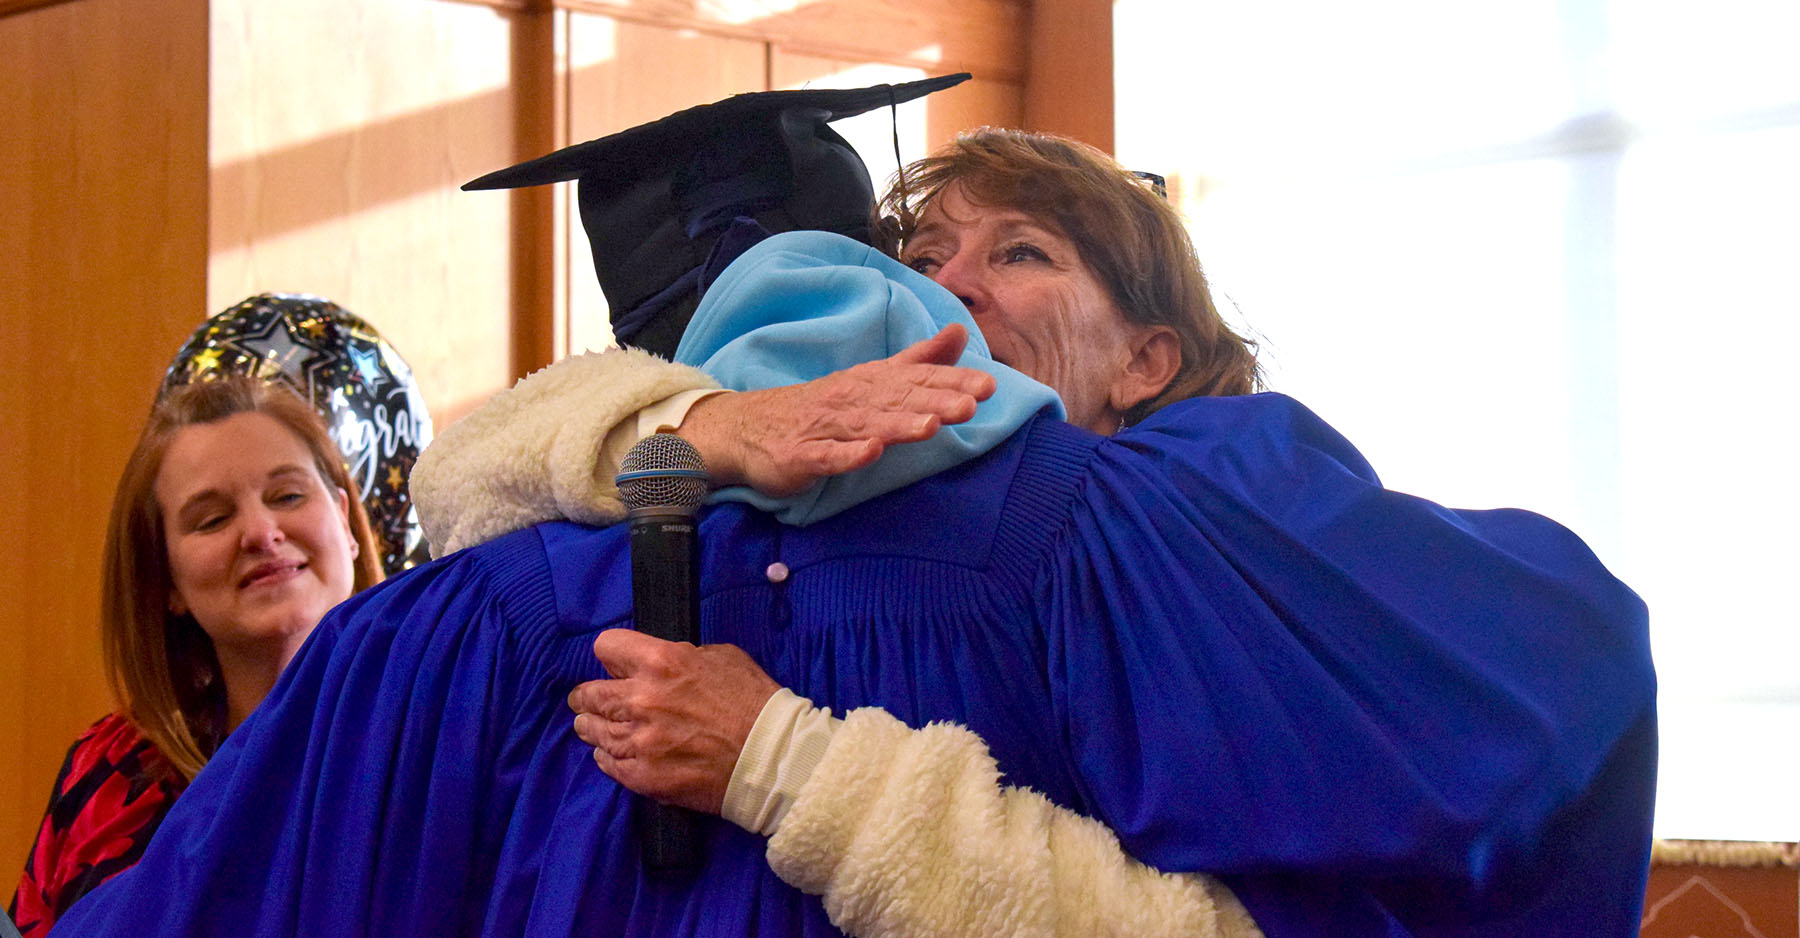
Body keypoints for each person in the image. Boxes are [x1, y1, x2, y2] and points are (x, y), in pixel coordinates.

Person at [51, 109, 1653, 938]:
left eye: (1021, 254)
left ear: (1152, 355)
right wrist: (672, 431)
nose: (949, 292)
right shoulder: (541, 563)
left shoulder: (1191, 519)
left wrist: (784, 759)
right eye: (920, 253)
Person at [9, 378, 382, 938]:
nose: (261, 532)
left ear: (346, 523)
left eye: (288, 496)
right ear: (168, 583)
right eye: (211, 519)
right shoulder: (110, 771)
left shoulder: (447, 728)